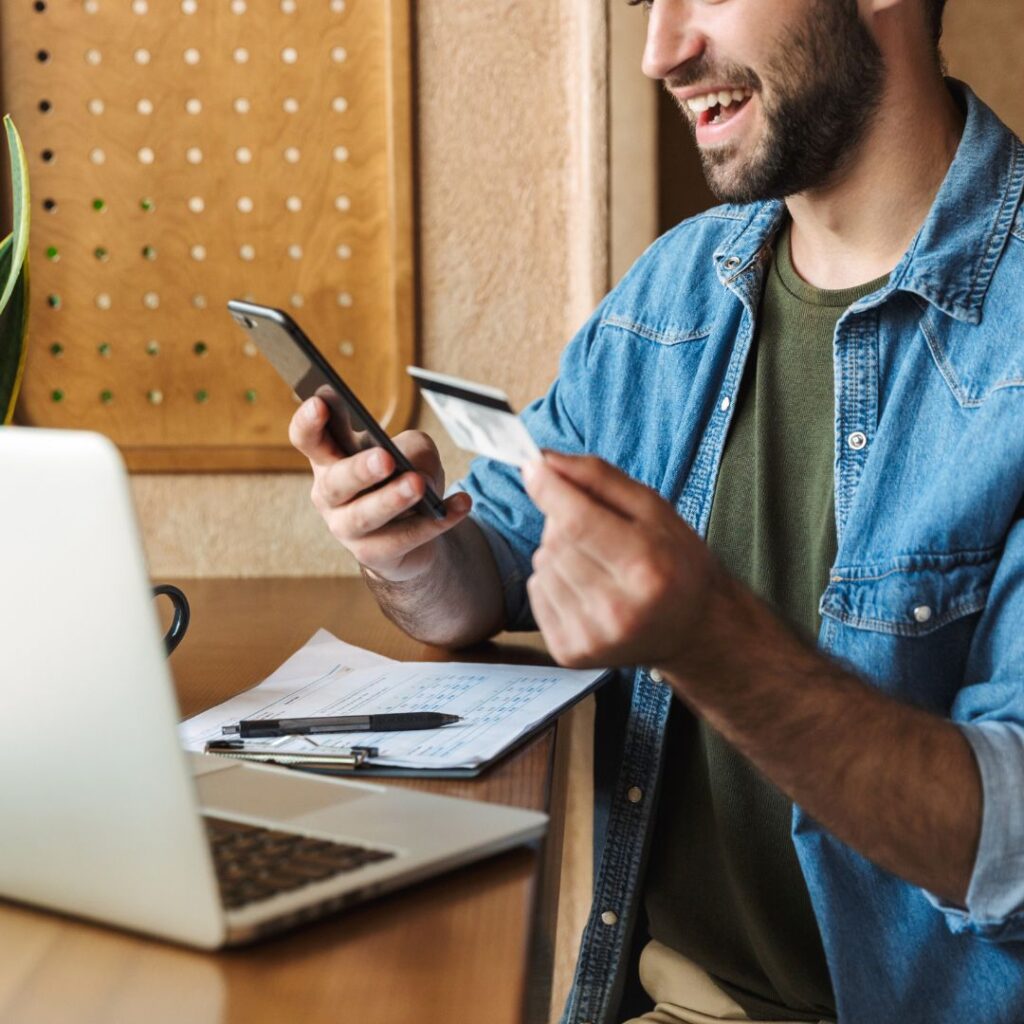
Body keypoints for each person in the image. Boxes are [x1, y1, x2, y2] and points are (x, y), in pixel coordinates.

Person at [290, 0, 1024, 1020]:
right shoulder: (676, 290)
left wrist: (709, 641)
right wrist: (411, 551)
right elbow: (492, 567)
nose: (660, 53)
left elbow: (1013, 847)